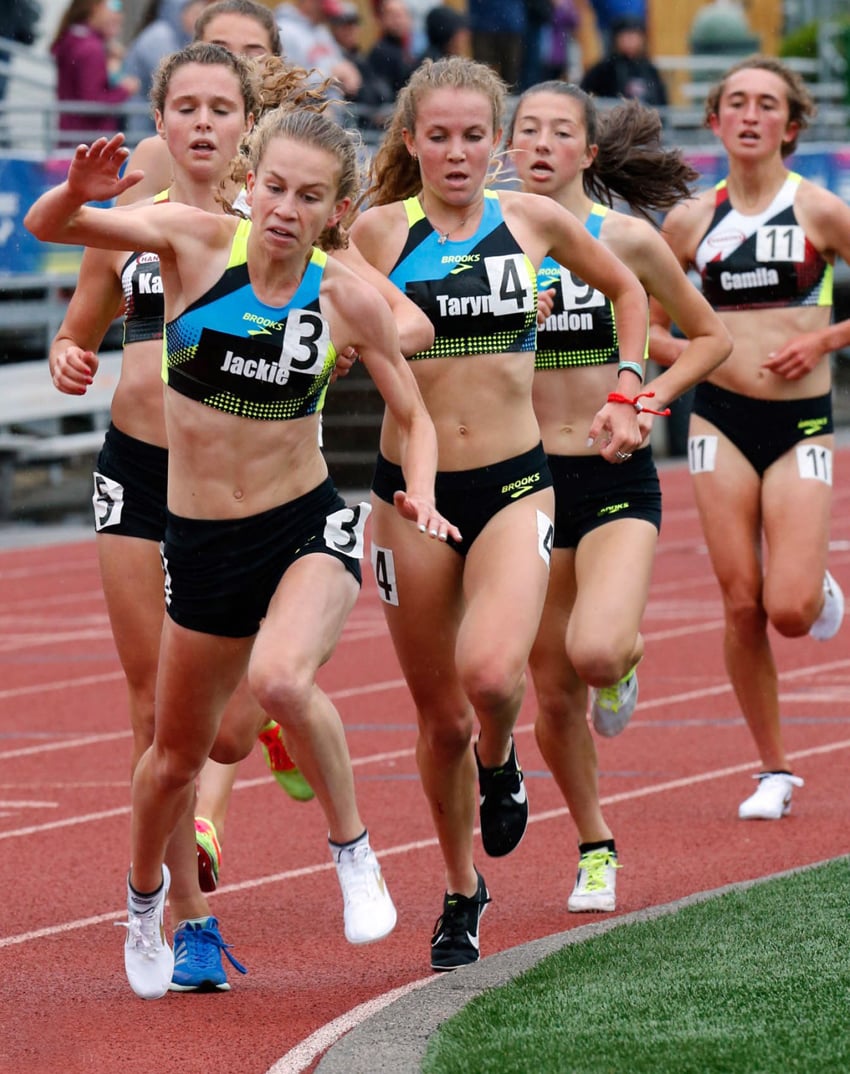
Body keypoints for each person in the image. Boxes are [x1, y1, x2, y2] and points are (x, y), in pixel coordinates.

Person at [26, 99, 460, 999]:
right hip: (201, 543)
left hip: (304, 522)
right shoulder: (189, 241)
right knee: (177, 757)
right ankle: (146, 906)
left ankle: (355, 855)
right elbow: (54, 225)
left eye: (309, 197)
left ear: (336, 210)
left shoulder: (341, 292)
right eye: (273, 188)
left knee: (284, 679)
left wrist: (416, 488)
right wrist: (76, 192)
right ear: (248, 183)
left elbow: (412, 411)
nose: (285, 210)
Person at [350, 55, 650, 971]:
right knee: (438, 718)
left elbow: (631, 292)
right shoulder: (375, 234)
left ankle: (501, 758)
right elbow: (327, 327)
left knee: (492, 677)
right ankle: (459, 888)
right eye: (437, 136)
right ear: (411, 139)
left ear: (498, 143)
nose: (456, 152)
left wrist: (630, 386)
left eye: (474, 136)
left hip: (520, 483)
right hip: (410, 495)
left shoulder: (533, 220)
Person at [47, 42, 294, 994]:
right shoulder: (137, 225)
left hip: (236, 490)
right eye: (183, 106)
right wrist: (73, 356)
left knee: (224, 731)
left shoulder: (274, 226)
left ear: (245, 124)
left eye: (219, 107)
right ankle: (178, 913)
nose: (201, 122)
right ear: (160, 123)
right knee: (154, 709)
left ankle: (251, 739)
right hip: (137, 476)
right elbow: (80, 326)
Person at [507, 83, 731, 911]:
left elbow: (711, 338)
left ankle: (625, 662)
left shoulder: (625, 240)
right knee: (551, 689)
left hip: (611, 473)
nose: (539, 144)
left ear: (588, 153)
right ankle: (596, 844)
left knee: (596, 651)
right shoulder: (485, 244)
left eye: (559, 132)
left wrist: (640, 400)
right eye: (525, 130)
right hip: (521, 481)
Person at [650, 56, 847, 822]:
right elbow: (651, 328)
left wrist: (826, 341)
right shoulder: (691, 222)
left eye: (767, 104)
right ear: (716, 120)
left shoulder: (822, 211)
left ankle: (817, 586)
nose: (751, 114)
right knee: (740, 606)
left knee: (789, 609)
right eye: (737, 102)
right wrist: (703, 356)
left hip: (799, 423)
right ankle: (774, 768)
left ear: (790, 126)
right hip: (720, 422)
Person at [50, 0, 140, 144]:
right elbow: (93, 103)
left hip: (71, 140)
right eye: (113, 6)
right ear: (93, 7)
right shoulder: (91, 49)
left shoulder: (73, 37)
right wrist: (125, 89)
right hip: (91, 145)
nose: (119, 15)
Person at [122, 0, 210, 135]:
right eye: (196, 13)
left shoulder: (177, 36)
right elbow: (176, 81)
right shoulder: (159, 37)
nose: (200, 20)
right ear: (178, 12)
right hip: (143, 126)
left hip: (156, 123)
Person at [579, 15, 667, 107]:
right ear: (616, 39)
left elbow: (662, 101)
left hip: (647, 119)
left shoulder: (649, 69)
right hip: (615, 119)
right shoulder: (606, 68)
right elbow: (583, 92)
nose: (630, 40)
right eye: (625, 36)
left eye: (634, 36)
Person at [367, 0, 417, 98]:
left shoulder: (406, 49)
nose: (399, 21)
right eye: (393, 16)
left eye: (402, 15)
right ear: (382, 19)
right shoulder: (381, 53)